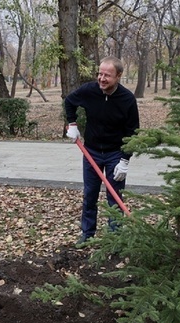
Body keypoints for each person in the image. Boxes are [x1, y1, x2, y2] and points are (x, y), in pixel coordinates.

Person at [64, 56, 140, 245]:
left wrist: (125, 160)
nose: (102, 78)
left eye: (107, 75)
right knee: (90, 194)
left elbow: (133, 132)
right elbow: (69, 102)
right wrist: (72, 123)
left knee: (114, 197)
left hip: (115, 154)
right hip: (91, 152)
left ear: (119, 76)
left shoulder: (127, 99)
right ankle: (87, 233)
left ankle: (114, 237)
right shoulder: (89, 91)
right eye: (100, 73)